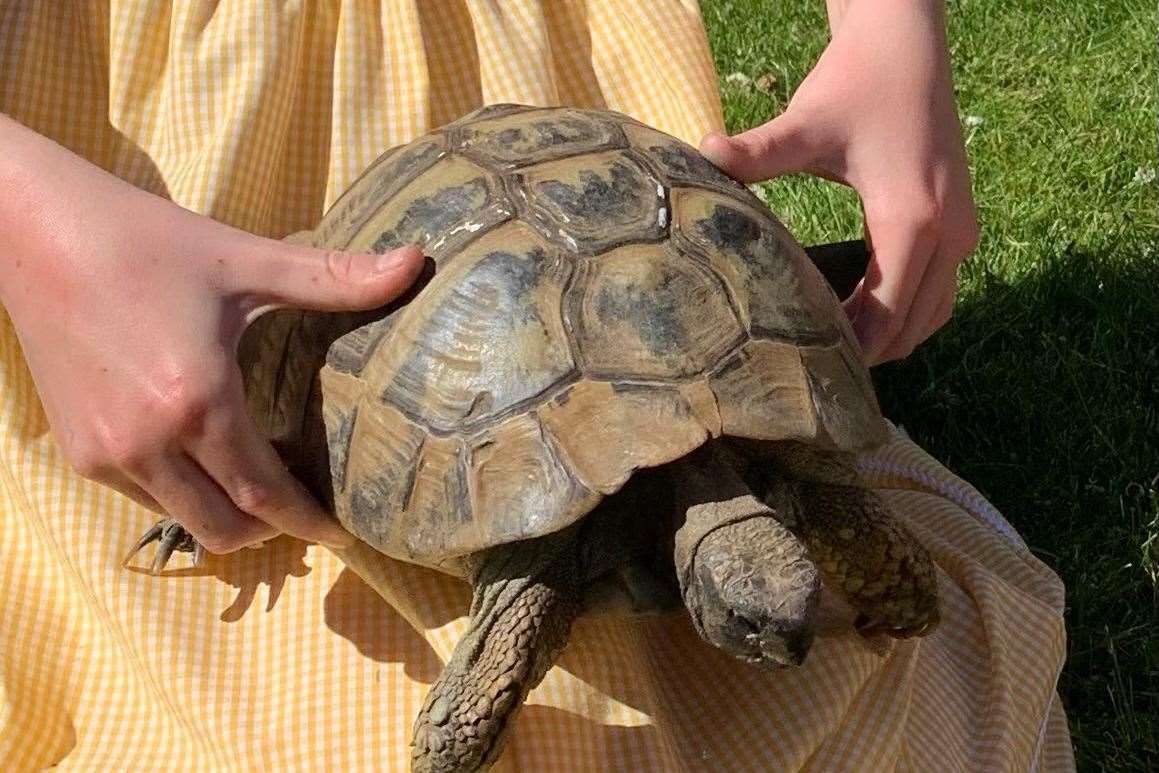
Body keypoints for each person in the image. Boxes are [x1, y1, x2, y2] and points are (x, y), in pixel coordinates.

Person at [0, 1, 1070, 770]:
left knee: (878, 688)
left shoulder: (787, 509)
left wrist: (893, 28)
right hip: (125, 192)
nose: (772, 640)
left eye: (755, 615)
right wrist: (33, 232)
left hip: (575, 103)